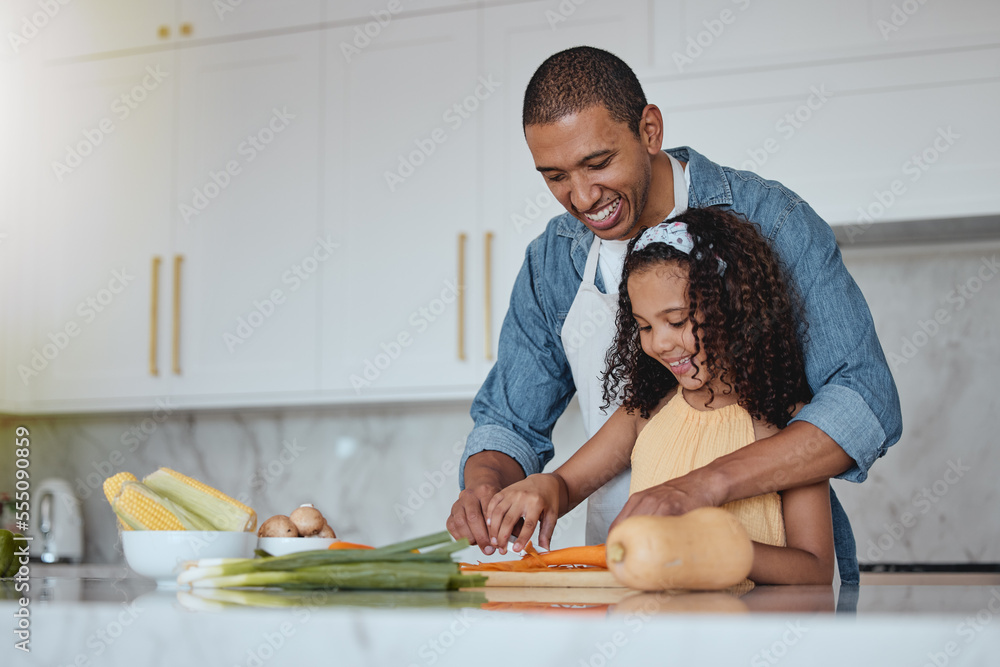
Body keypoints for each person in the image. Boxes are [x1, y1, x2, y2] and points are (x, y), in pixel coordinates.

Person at [447, 46, 901, 585]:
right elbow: (509, 422)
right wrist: (486, 486)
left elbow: (865, 400)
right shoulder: (553, 261)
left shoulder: (769, 221)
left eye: (598, 163)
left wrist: (701, 487)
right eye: (555, 177)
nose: (583, 196)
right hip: (632, 577)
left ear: (650, 129)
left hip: (775, 595)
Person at [484, 208, 835, 585]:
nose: (660, 343)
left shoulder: (788, 424)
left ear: (732, 306)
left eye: (677, 321)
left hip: (750, 638)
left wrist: (718, 547)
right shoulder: (646, 411)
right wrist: (543, 487)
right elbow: (567, 485)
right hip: (654, 633)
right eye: (645, 326)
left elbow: (813, 568)